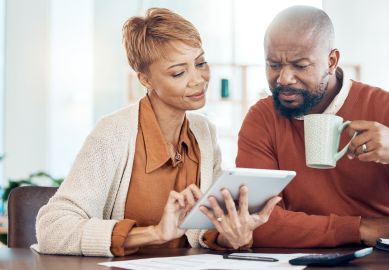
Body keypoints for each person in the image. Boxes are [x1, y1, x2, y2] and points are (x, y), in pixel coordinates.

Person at [34, 8, 278, 257]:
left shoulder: (204, 132)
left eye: (201, 63)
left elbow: (203, 227)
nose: (199, 79)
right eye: (179, 72)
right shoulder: (113, 133)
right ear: (145, 80)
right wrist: (155, 233)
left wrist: (230, 236)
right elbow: (52, 229)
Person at [235, 5, 389, 248]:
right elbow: (255, 222)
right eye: (273, 65)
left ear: (331, 61)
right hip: (303, 260)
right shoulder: (261, 118)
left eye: (300, 65)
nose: (283, 79)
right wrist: (359, 228)